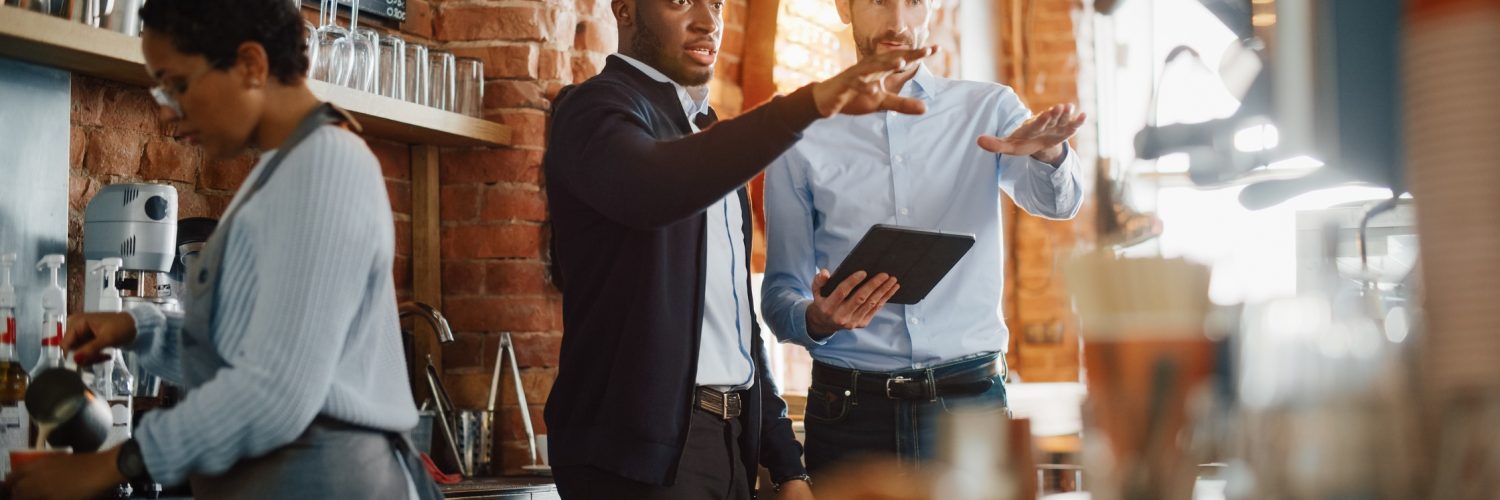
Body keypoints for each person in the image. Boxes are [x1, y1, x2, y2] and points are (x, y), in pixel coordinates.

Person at [4, 1, 440, 499]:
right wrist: (137, 329)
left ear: (251, 65)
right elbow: (238, 352)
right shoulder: (282, 172)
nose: (167, 110)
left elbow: (274, 392)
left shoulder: (326, 168)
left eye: (178, 85)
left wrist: (115, 464)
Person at [540, 0, 937, 496]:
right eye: (681, 2)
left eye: (718, 3)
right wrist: (806, 105)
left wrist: (787, 464)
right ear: (623, 10)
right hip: (636, 462)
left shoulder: (707, 132)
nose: (709, 21)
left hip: (726, 446)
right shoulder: (592, 109)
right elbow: (652, 188)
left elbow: (734, 326)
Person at [759, 0, 1086, 474]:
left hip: (969, 405)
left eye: (913, 1)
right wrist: (816, 318)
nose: (897, 21)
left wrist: (1051, 153)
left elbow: (1060, 203)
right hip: (850, 412)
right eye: (877, 2)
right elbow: (778, 295)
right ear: (843, 7)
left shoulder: (989, 108)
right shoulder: (799, 130)